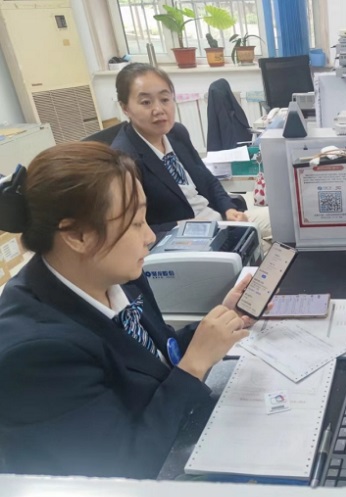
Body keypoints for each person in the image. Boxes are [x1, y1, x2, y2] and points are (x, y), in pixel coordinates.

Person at [0, 142, 256, 478]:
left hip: (173, 431)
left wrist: (219, 321)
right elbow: (123, 467)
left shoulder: (114, 275)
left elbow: (151, 359)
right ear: (77, 236)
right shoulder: (34, 353)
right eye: (135, 223)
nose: (149, 236)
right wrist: (194, 366)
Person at [111, 63, 248, 233]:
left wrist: (228, 208)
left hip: (219, 221)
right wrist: (182, 227)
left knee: (276, 221)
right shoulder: (123, 160)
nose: (159, 110)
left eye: (165, 99)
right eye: (146, 102)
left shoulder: (176, 133)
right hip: (185, 240)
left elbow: (208, 180)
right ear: (125, 108)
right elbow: (131, 231)